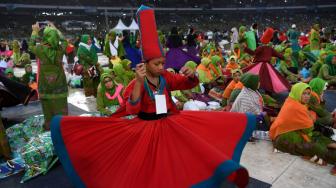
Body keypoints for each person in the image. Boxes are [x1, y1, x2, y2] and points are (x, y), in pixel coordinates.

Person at [50, 5, 255, 188]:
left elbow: (185, 83)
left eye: (162, 62)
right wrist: (139, 82)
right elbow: (132, 109)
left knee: (185, 156)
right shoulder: (136, 81)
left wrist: (192, 77)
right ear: (146, 63)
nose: (161, 67)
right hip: (146, 128)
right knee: (150, 171)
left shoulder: (166, 76)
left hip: (170, 122)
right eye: (157, 64)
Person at [270, 82, 336, 170]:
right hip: (283, 139)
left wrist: (310, 119)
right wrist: (310, 119)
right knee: (315, 147)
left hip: (290, 133)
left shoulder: (292, 100)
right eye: (304, 93)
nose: (307, 96)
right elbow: (308, 129)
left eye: (308, 93)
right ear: (297, 93)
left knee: (317, 135)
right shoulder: (296, 106)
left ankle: (331, 145)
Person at [29, 22, 68, 130]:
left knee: (47, 108)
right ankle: (63, 127)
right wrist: (56, 29)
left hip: (45, 84)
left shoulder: (39, 49)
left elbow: (31, 45)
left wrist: (35, 31)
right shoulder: (60, 49)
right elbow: (65, 41)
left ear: (45, 36)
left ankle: (49, 127)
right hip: (59, 83)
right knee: (61, 106)